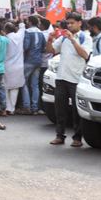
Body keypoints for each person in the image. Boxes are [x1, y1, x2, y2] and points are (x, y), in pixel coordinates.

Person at [46, 12, 92, 147]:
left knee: (77, 111)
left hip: (76, 79)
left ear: (80, 23)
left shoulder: (86, 38)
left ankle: (77, 137)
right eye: (68, 23)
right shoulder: (64, 38)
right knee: (60, 109)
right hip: (61, 77)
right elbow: (49, 49)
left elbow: (84, 54)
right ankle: (60, 135)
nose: (70, 25)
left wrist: (73, 40)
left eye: (72, 23)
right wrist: (50, 38)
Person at [21, 16, 46, 115]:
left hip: (29, 60)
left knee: (23, 82)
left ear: (30, 22)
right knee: (35, 84)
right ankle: (35, 107)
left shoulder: (27, 32)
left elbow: (26, 46)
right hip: (38, 60)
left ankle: (27, 106)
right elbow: (44, 47)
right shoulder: (41, 32)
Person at [4, 20, 25, 115]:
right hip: (19, 66)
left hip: (7, 65)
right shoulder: (19, 36)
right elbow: (22, 28)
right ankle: (12, 109)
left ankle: (5, 107)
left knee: (5, 87)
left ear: (6, 30)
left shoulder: (5, 39)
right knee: (15, 88)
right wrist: (20, 21)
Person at [38, 17, 54, 112]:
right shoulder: (51, 34)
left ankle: (42, 107)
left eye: (40, 24)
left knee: (41, 86)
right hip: (49, 63)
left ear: (43, 26)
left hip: (42, 63)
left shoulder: (42, 35)